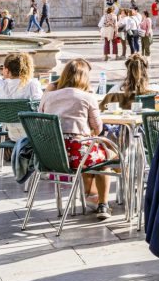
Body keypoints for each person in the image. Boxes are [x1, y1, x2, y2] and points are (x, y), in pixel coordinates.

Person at [40, 59, 119, 219]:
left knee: (92, 154)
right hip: (77, 154)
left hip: (50, 154)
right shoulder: (87, 97)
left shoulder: (48, 96)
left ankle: (90, 194)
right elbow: (98, 128)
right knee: (108, 158)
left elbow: (40, 118)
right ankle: (103, 204)